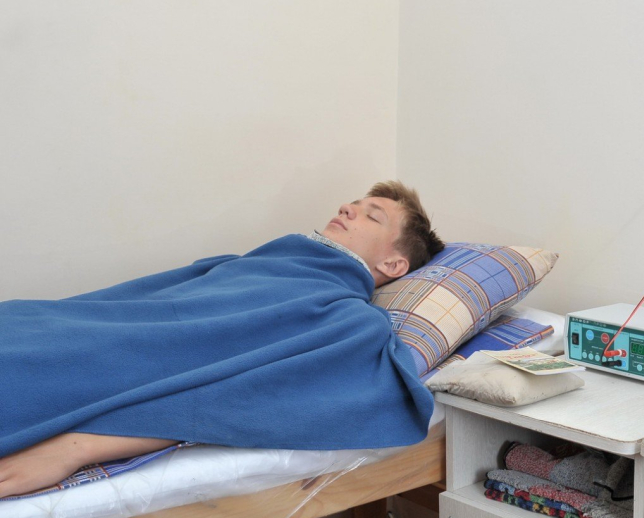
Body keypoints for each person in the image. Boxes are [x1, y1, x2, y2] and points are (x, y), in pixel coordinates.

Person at [0, 180, 444, 500]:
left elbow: (238, 398)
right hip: (57, 327)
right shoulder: (251, 263)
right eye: (354, 203)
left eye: (372, 215)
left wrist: (78, 446)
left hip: (76, 365)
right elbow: (136, 308)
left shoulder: (349, 320)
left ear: (394, 265)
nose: (347, 208)